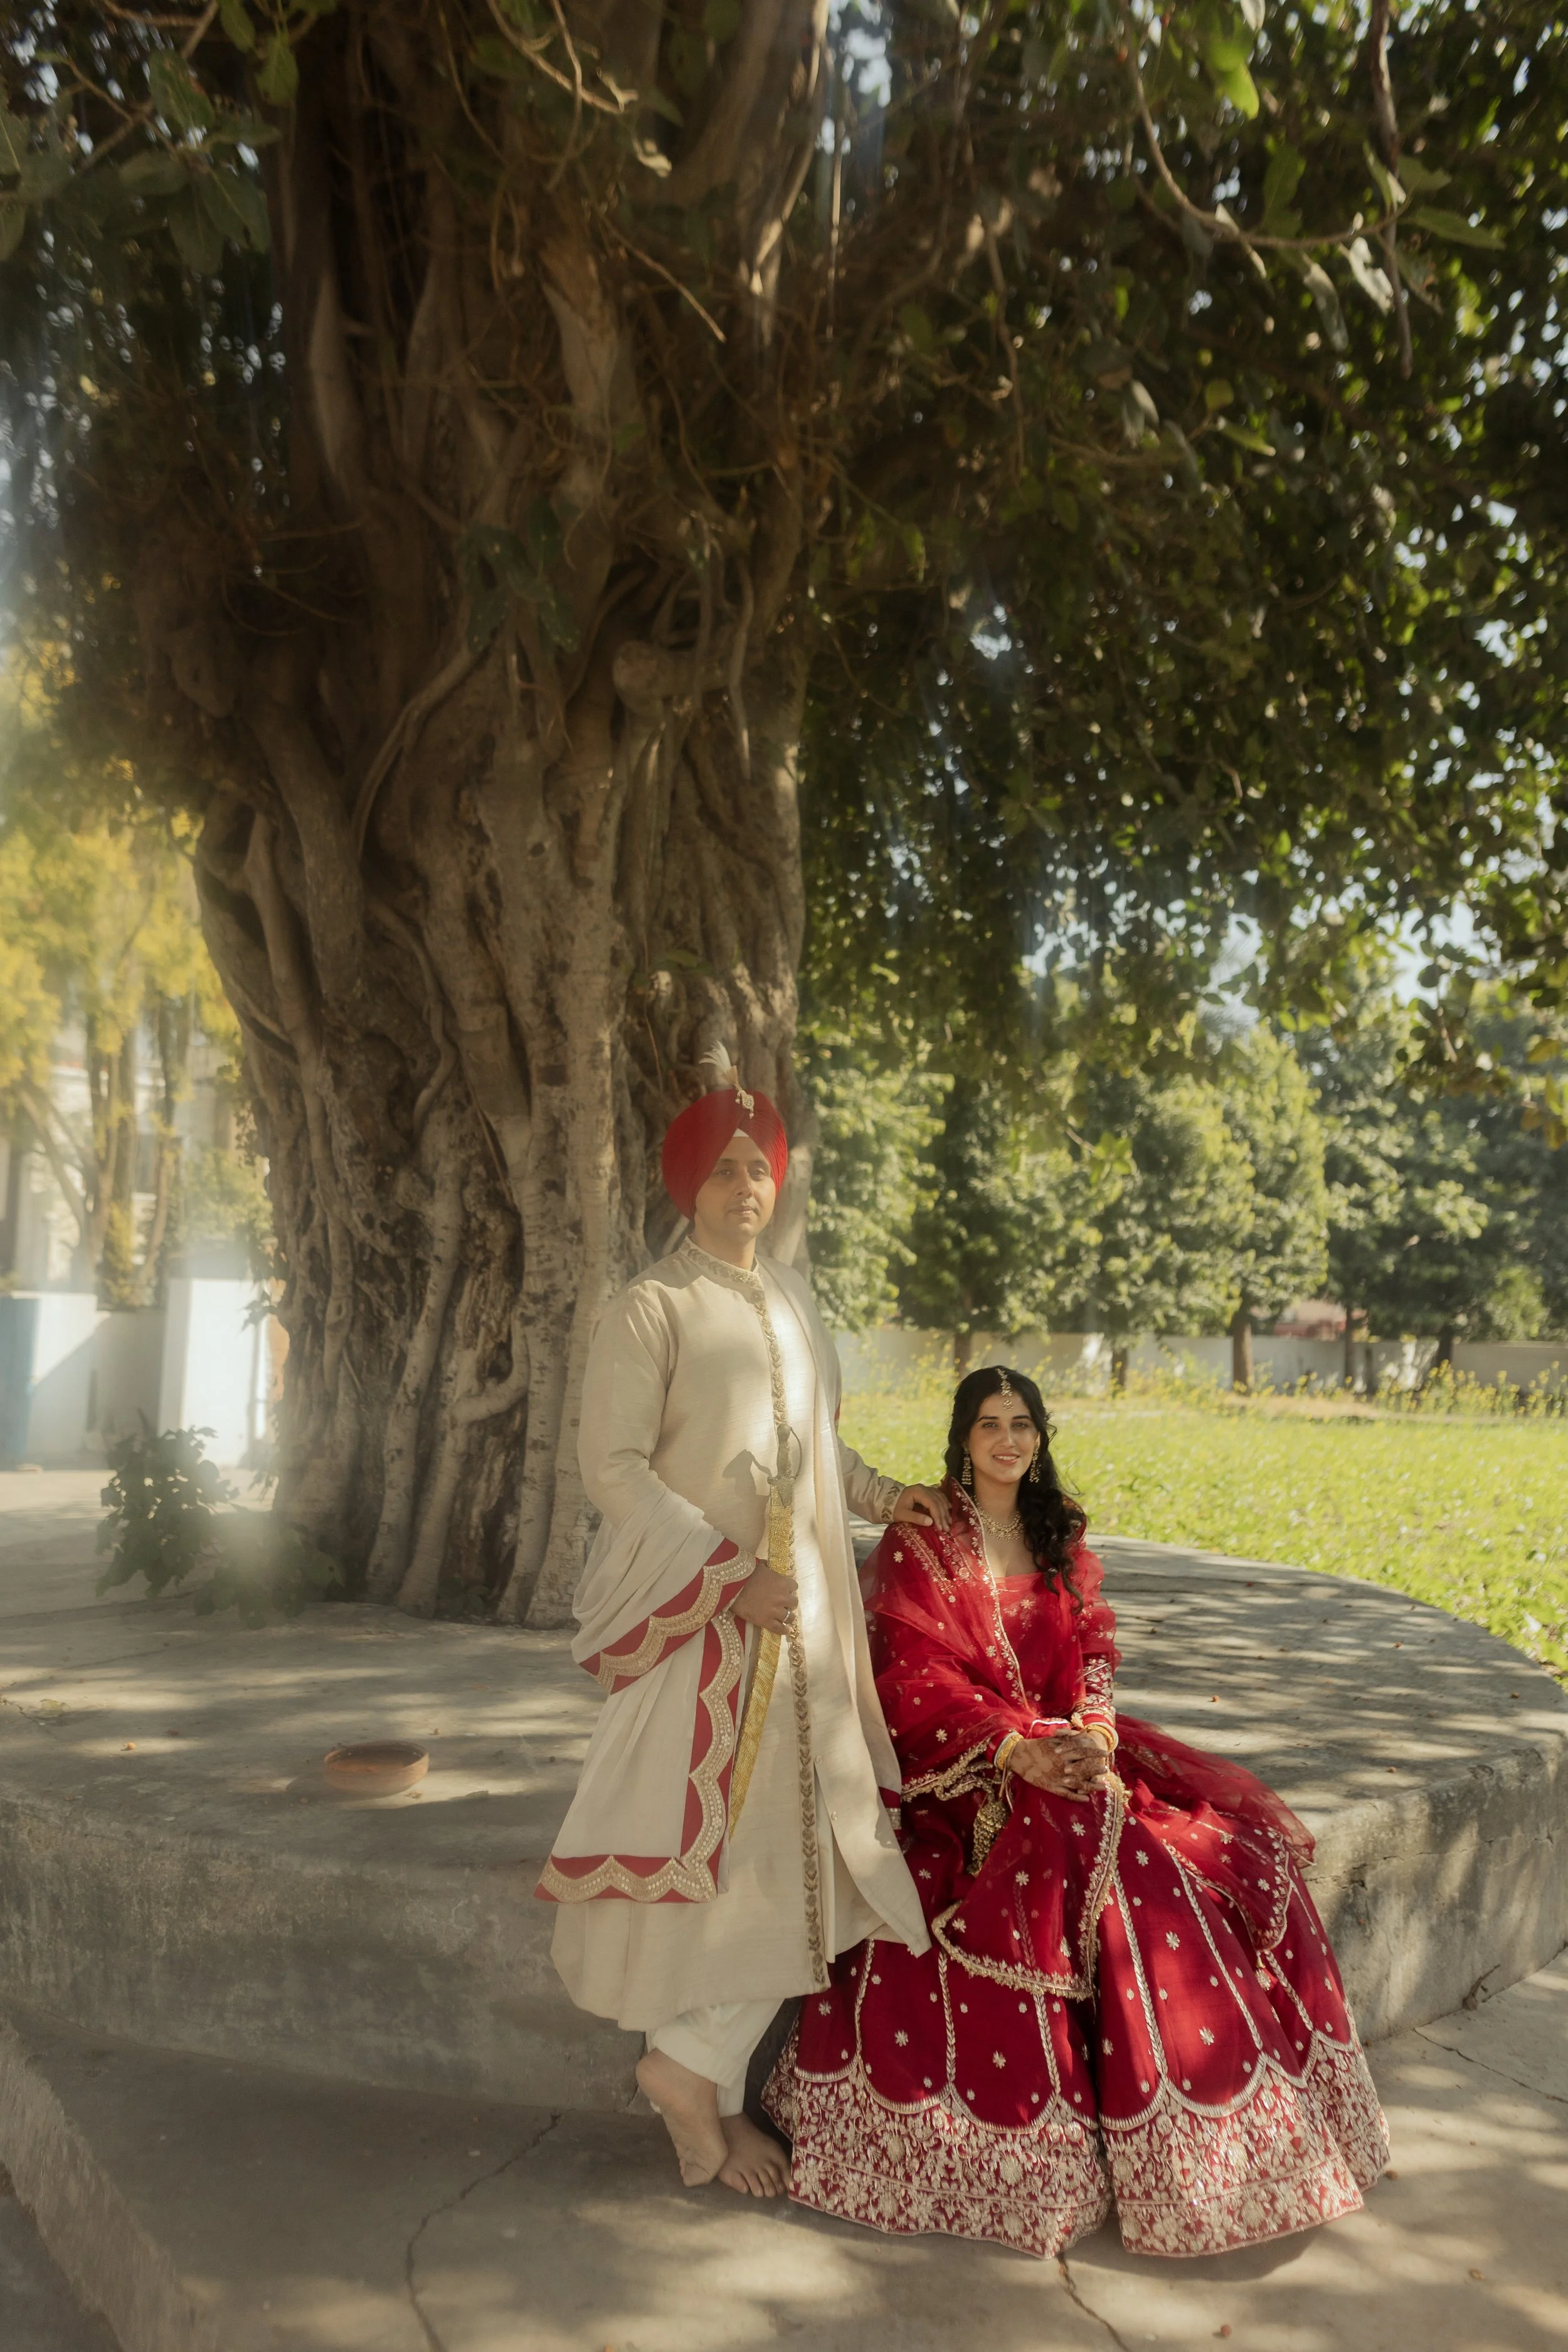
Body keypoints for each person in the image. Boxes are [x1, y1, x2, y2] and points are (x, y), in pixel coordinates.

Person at [765, 1366, 1389, 2257]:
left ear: (1040, 1435)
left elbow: (1091, 1652)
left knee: (1164, 1836)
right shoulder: (926, 1537)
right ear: (962, 1437)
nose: (1008, 1440)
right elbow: (909, 1677)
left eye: (1023, 1424)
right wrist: (1013, 1748)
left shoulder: (1061, 1531)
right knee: (1075, 1827)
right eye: (989, 1424)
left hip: (1072, 1745)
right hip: (964, 1765)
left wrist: (1092, 1733)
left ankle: (1226, 2143)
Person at [537, 1067, 948, 2197]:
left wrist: (882, 1495)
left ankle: (695, 2081)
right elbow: (611, 1469)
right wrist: (724, 1577)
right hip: (706, 1630)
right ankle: (695, 2084)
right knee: (734, 1861)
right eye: (722, 1165)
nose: (745, 1183)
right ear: (686, 1181)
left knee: (806, 1856)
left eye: (759, 1164)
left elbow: (815, 1445)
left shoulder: (791, 1300)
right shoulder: (650, 1308)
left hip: (803, 1627)